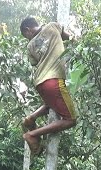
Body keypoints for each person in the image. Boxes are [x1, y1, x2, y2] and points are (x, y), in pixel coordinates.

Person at [20, 16, 77, 155]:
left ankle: (31, 118)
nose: (28, 39)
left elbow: (35, 63)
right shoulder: (52, 26)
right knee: (71, 120)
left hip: (40, 82)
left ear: (28, 30)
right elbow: (69, 38)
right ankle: (32, 134)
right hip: (54, 80)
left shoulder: (30, 46)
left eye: (25, 36)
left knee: (51, 105)